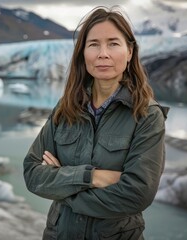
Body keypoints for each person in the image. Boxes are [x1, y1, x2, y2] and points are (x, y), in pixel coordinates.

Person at [23, 5, 169, 240]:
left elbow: (136, 195)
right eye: (93, 44)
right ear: (83, 53)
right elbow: (32, 174)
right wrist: (92, 177)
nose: (103, 53)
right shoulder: (66, 108)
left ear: (130, 51)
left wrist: (62, 183)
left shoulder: (147, 115)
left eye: (113, 43)